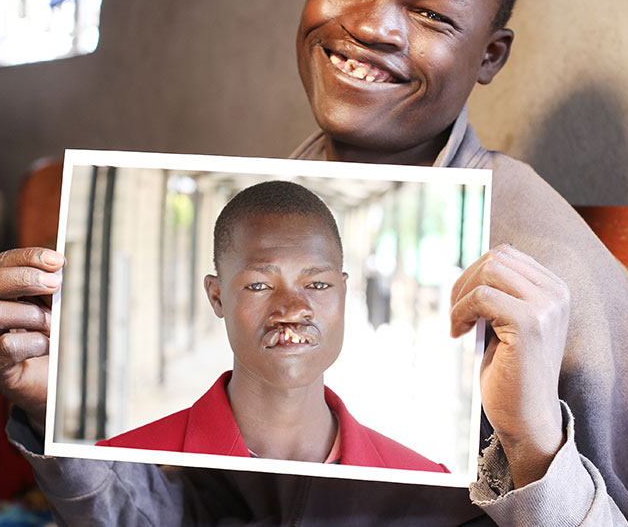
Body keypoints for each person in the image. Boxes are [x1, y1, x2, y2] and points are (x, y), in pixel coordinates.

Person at [0, 0, 628, 525]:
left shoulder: (550, 267)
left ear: (489, 54)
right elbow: (183, 510)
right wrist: (51, 403)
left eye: (430, 14)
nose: (370, 26)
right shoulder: (271, 215)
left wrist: (534, 442)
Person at [97, 180, 447, 473]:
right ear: (217, 297)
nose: (293, 310)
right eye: (259, 285)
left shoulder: (424, 482)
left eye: (318, 285)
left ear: (344, 291)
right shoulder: (116, 467)